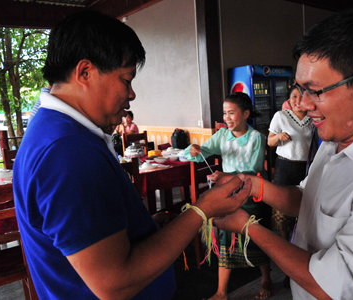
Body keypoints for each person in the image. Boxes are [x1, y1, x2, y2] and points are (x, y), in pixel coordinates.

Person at [13, 11, 251, 300]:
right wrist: (202, 210)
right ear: (85, 72)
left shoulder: (53, 130)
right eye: (126, 80)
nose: (132, 94)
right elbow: (116, 283)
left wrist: (145, 228)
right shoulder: (68, 152)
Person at [213, 10, 353, 300]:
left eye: (315, 91)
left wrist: (248, 227)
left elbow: (328, 285)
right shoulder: (336, 142)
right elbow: (310, 200)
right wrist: (252, 184)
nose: (303, 104)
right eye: (299, 89)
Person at [184, 92, 273, 299]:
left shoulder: (256, 138)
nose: (227, 118)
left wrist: (226, 175)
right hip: (227, 197)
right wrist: (194, 150)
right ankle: (221, 291)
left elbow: (255, 170)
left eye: (231, 113)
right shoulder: (222, 136)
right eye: (225, 113)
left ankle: (266, 278)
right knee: (226, 239)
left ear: (245, 114)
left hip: (251, 196)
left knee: (256, 236)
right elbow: (202, 153)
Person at [267, 87, 312, 241]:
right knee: (282, 205)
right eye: (294, 96)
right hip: (284, 167)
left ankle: (298, 239)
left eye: (302, 97)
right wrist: (278, 136)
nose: (297, 100)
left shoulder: (313, 118)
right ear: (289, 99)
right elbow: (270, 142)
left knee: (302, 203)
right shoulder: (281, 116)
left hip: (305, 168)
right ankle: (284, 240)